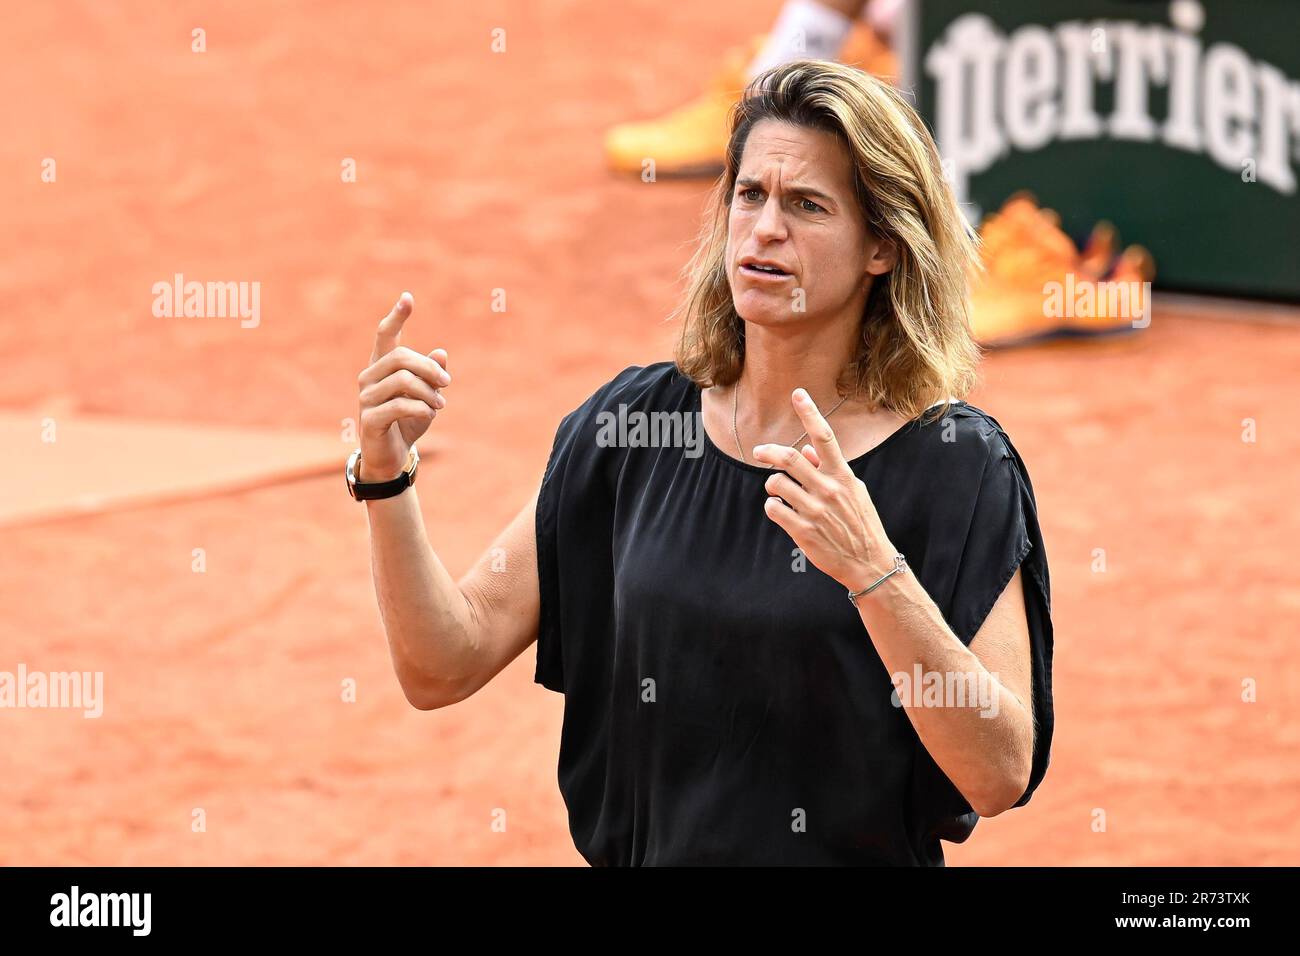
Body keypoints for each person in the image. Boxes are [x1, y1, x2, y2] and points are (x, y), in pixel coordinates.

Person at [352, 60, 1054, 866]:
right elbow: (444, 662)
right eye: (750, 195)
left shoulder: (955, 467)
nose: (764, 230)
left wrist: (873, 571)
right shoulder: (636, 430)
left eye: (807, 206)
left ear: (883, 249)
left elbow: (998, 773)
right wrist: (386, 474)